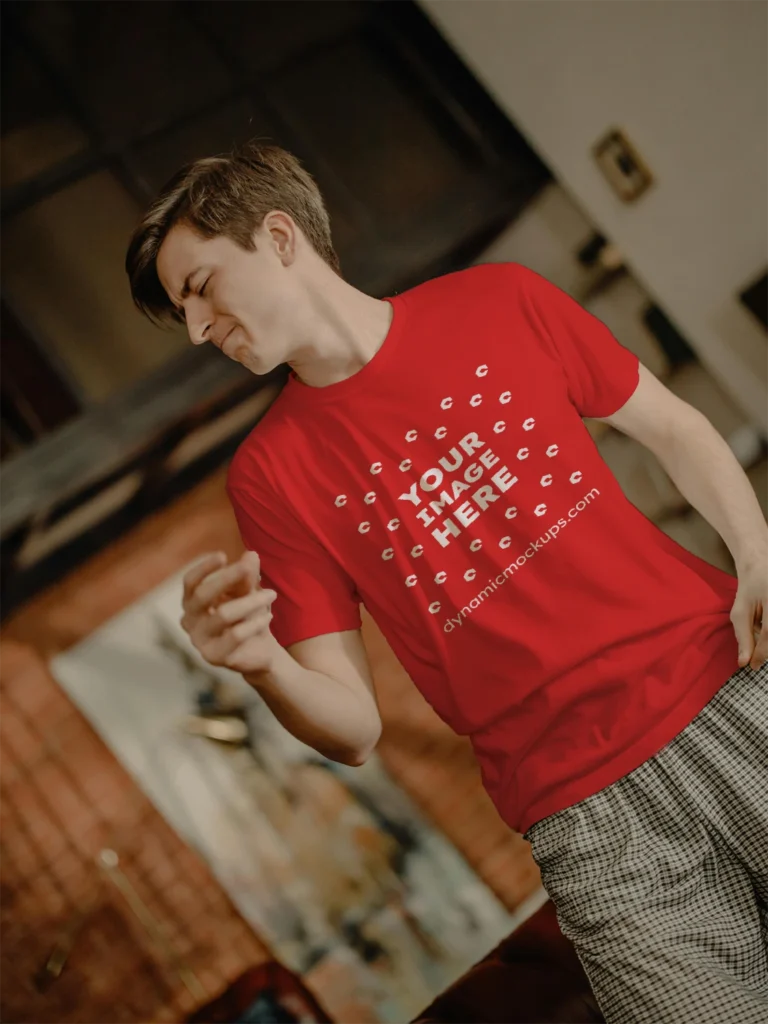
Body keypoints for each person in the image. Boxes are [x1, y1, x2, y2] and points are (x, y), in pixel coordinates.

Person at [126, 141, 768, 1024]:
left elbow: (673, 427)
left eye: (198, 289)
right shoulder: (270, 475)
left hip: (730, 691)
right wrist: (259, 663)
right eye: (182, 315)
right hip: (585, 814)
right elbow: (353, 728)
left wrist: (756, 550)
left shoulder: (500, 298)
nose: (198, 331)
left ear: (278, 236)